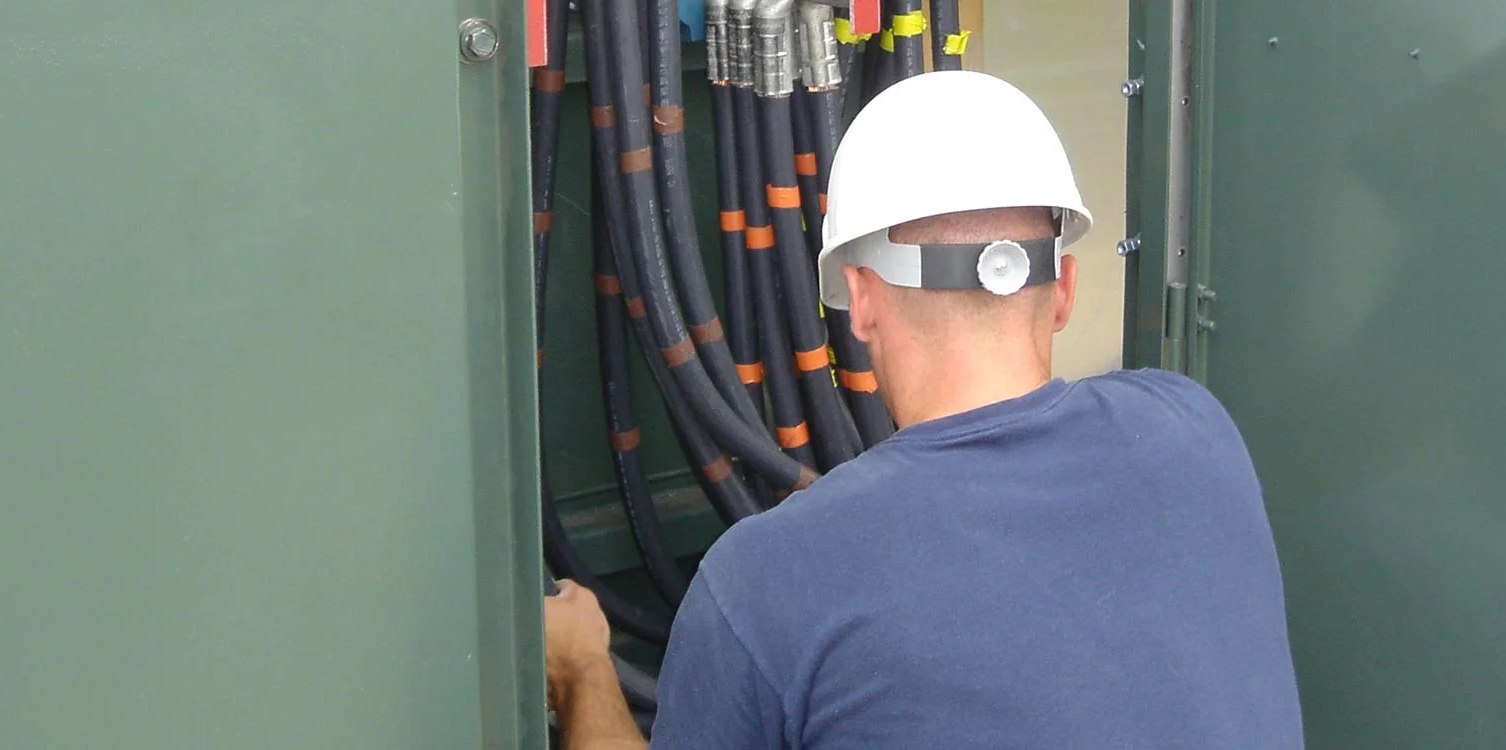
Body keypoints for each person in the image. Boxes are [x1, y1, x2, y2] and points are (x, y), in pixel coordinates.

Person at [546, 70, 1303, 749]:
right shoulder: (1196, 429)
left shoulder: (767, 582)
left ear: (862, 302)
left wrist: (583, 669)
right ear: (1064, 289)